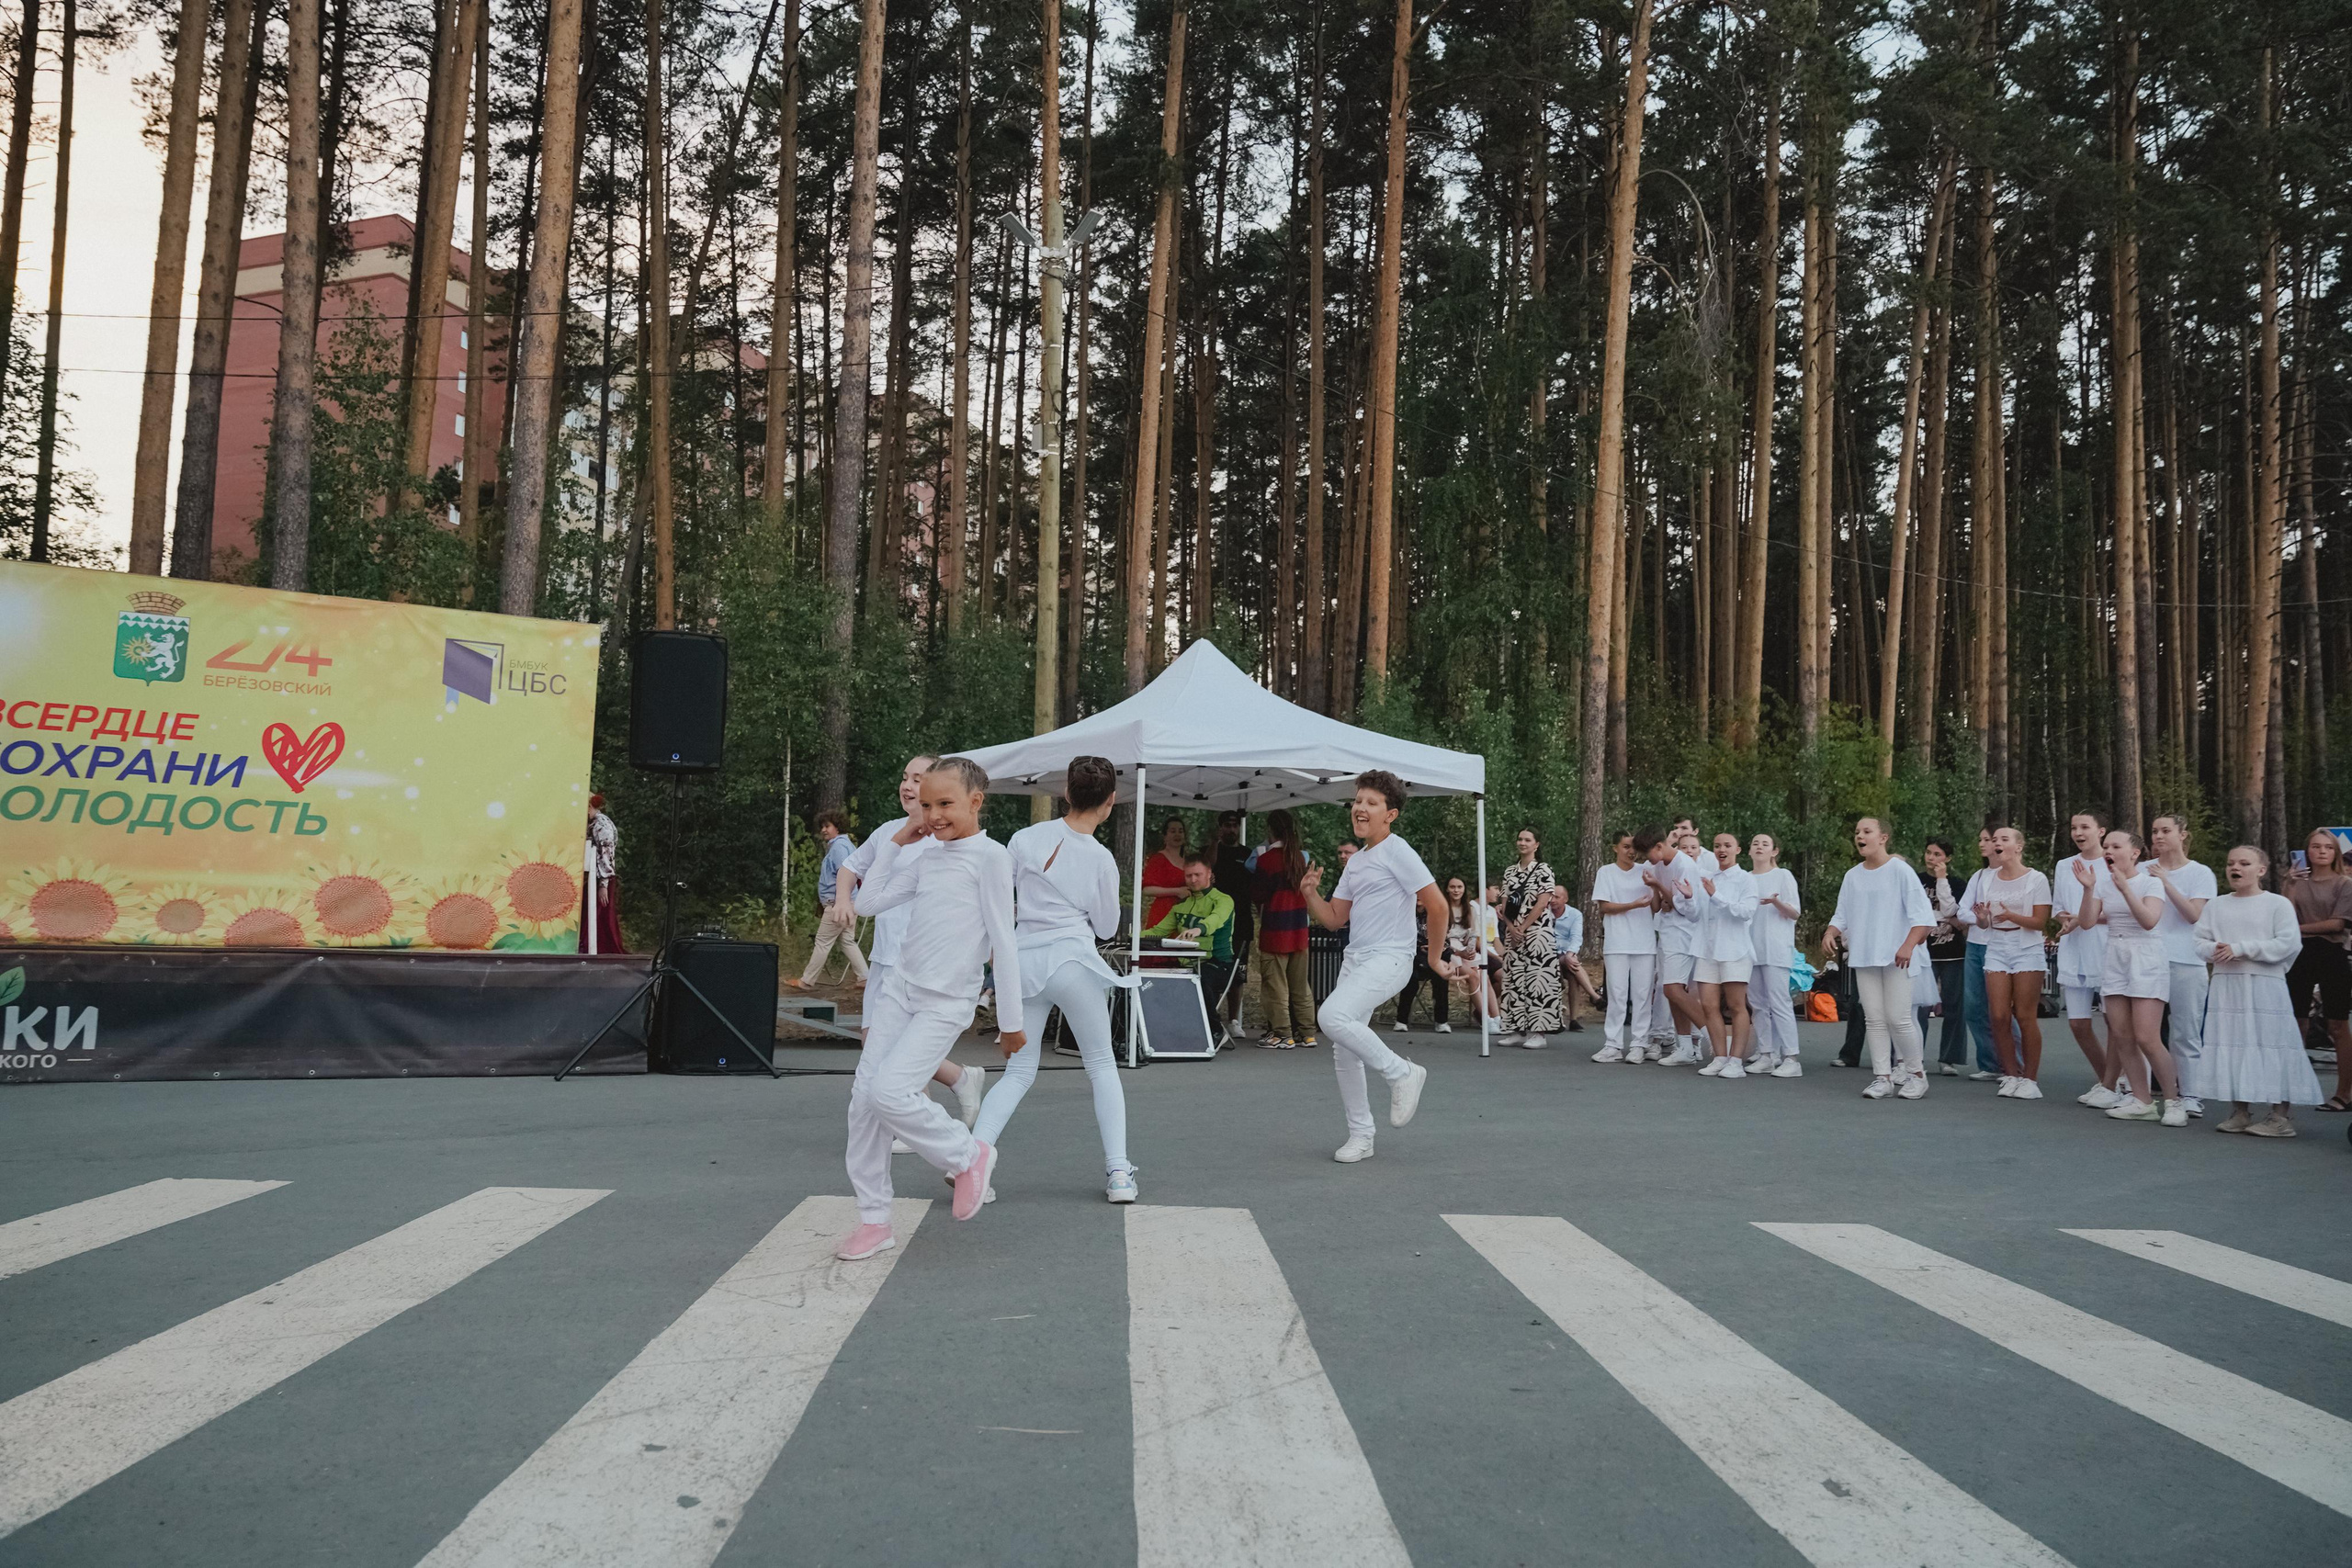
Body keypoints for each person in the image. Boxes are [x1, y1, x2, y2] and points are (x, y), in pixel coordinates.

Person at [834, 758, 1023, 1261]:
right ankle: (874, 1222)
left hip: (946, 1003)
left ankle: (969, 1155)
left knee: (890, 1092)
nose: (934, 815)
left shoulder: (991, 858)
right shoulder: (925, 855)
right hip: (900, 989)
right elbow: (870, 901)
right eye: (926, 805)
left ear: (975, 802)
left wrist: (1011, 1023)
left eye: (945, 804)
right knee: (863, 1105)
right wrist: (899, 843)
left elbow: (1004, 942)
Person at [978, 755, 1136, 1202]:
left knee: (1018, 1073)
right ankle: (1119, 1172)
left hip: (1023, 964)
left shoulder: (1025, 838)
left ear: (1066, 793)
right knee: (1102, 1067)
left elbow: (997, 893)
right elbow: (1106, 928)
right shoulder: (1102, 858)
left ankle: (974, 1156)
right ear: (1110, 803)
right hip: (1071, 962)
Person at [1296, 771, 1444, 1163]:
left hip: (1391, 957)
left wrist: (1433, 959)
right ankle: (1362, 1136)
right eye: (1358, 800)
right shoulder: (1357, 862)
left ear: (1390, 814)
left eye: (1371, 803)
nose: (1360, 808)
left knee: (1331, 1016)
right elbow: (1333, 919)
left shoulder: (1398, 851)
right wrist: (1310, 894)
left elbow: (1438, 905)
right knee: (1344, 1050)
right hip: (1357, 960)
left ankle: (1402, 1073)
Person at [838, 754, 985, 1129]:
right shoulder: (890, 830)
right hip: (887, 957)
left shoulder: (948, 840)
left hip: (927, 965)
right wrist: (843, 901)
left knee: (899, 1049)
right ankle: (956, 1080)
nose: (908, 785)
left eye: (918, 779)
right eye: (905, 777)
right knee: (875, 1043)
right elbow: (852, 868)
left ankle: (922, 1117)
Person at [2188, 845, 2326, 1136]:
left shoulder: (2277, 904)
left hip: (2265, 984)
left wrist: (2242, 949)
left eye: (2244, 863)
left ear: (2261, 870)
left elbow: (2288, 944)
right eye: (2230, 863)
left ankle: (2279, 1117)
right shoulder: (2216, 905)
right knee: (2235, 1042)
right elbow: (2199, 942)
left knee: (2273, 1043)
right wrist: (2217, 949)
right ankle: (2240, 1111)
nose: (2235, 868)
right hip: (2227, 985)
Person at [2076, 828, 2188, 1126]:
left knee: (2148, 1037)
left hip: (2146, 957)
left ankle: (2174, 1102)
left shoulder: (2151, 882)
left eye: (2115, 845)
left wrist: (2125, 888)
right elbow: (2087, 923)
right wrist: (2088, 889)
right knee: (2122, 1035)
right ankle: (2142, 1100)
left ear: (2135, 852)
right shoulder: (2102, 883)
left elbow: (2150, 921)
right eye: (2107, 846)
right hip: (2115, 955)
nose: (2108, 851)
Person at [1823, 817, 1935, 1101]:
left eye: (1867, 832)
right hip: (1864, 956)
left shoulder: (1900, 870)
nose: (1860, 836)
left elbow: (1922, 917)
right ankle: (1882, 1078)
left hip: (1897, 957)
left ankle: (1916, 1075)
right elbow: (1842, 913)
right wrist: (1831, 931)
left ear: (1883, 838)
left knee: (1898, 1018)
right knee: (1874, 1018)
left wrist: (1908, 945)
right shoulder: (1853, 875)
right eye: (1857, 832)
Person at [2143, 814, 2216, 1117]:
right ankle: (2139, 1092)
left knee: (2184, 1031)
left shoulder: (2200, 873)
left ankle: (2190, 1094)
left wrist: (2164, 882)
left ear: (2183, 834)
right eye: (2154, 831)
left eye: (2166, 831)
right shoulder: (2140, 870)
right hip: (2147, 958)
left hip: (2187, 959)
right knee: (2143, 1032)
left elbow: (2194, 915)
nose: (2158, 836)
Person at [1975, 827, 2052, 1100]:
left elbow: (2040, 922)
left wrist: (2011, 915)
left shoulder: (2036, 879)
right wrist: (1983, 917)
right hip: (1997, 945)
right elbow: (1985, 923)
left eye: (2004, 839)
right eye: (1994, 839)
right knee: (1998, 1015)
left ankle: (2030, 1079)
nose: (1997, 843)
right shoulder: (1987, 879)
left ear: (2018, 847)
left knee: (2025, 1015)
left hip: (2026, 948)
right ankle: (2010, 1074)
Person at [2051, 811, 2117, 1103]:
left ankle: (2119, 1082)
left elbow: (2120, 909)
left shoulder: (2113, 863)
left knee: (2115, 1022)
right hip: (2073, 949)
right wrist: (2064, 919)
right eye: (2074, 827)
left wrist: (2083, 917)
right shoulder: (2064, 865)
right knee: (2078, 1023)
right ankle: (2106, 1080)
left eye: (2085, 827)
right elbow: (2058, 907)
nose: (2078, 832)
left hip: (2106, 948)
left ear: (2101, 831)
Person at [2286, 827, 2352, 1112]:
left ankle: (2344, 1093)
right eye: (2316, 846)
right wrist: (2288, 885)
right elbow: (2283, 915)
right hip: (2299, 954)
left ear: (2335, 852)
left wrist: (2296, 929)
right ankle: (2291, 1089)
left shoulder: (2345, 884)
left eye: (2327, 847)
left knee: (2337, 1025)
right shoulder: (2296, 882)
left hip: (2331, 952)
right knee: (2297, 1022)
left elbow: (2337, 924)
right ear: (2307, 851)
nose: (2321, 851)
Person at [1687, 831, 1759, 1077]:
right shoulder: (1707, 877)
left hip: (1735, 950)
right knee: (1708, 1005)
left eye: (1727, 845)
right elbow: (1695, 914)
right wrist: (1688, 898)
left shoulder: (1745, 880)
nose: (1722, 850)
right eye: (1717, 845)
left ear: (1738, 850)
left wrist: (1715, 895)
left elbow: (1746, 911)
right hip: (1707, 949)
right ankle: (1720, 1057)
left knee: (1737, 1005)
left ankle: (1736, 1061)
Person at [1143, 854, 1238, 1037]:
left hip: (1219, 963)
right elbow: (1159, 930)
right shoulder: (1181, 905)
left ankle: (1216, 1031)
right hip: (1187, 965)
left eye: (1198, 875)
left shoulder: (1223, 900)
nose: (1193, 880)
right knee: (1152, 981)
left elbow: (1216, 919)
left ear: (1209, 874)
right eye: (1189, 876)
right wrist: (1131, 938)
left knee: (1199, 980)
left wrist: (1199, 929)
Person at [1247, 810, 1317, 1048]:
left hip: (1275, 929)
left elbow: (1258, 893)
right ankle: (1307, 1033)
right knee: (1300, 985)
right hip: (1299, 928)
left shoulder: (1267, 860)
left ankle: (1282, 1033)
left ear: (1271, 831)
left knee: (1275, 985)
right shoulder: (1301, 859)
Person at [1590, 829, 1659, 1064]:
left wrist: (1656, 885)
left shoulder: (1646, 872)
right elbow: (1604, 907)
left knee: (1642, 995)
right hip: (1617, 941)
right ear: (1615, 848)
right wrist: (1632, 904)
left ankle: (1639, 1043)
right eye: (1626, 847)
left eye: (1633, 848)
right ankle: (1613, 1045)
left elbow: (1657, 906)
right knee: (1618, 995)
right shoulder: (1606, 872)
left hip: (1644, 942)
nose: (1631, 852)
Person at [1647, 824, 1708, 1065]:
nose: (1646, 860)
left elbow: (1691, 911)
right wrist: (1662, 896)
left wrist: (1663, 891)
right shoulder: (1660, 865)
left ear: (1659, 846)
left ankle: (1714, 1035)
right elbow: (1664, 903)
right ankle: (1686, 1048)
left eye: (1648, 854)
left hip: (1684, 935)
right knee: (1674, 993)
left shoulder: (1684, 865)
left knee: (1672, 989)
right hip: (1668, 932)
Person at [788, 809, 869, 990]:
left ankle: (807, 980)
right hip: (850, 902)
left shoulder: (839, 847)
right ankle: (864, 977)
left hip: (839, 904)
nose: (824, 830)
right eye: (822, 827)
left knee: (822, 942)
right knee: (847, 941)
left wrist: (842, 902)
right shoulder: (846, 845)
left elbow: (846, 873)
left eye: (827, 826)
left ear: (837, 827)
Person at [1498, 829, 1561, 1048]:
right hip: (1513, 931)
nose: (1522, 843)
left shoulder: (1544, 870)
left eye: (1527, 840)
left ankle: (1539, 1032)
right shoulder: (1510, 872)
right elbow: (1504, 904)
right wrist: (1511, 927)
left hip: (1537, 932)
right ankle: (1516, 1029)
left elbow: (1542, 902)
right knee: (1514, 978)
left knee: (1537, 980)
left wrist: (1522, 927)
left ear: (1536, 845)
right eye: (1520, 839)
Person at [1747, 832, 1802, 1077]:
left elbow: (1795, 913)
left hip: (1776, 949)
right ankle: (1766, 1054)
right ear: (1748, 851)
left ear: (1774, 851)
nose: (1759, 847)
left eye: (1765, 844)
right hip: (1749, 949)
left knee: (1780, 1003)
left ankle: (1791, 1057)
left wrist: (1776, 903)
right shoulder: (1744, 878)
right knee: (1757, 1004)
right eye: (1755, 844)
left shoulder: (1783, 876)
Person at [1919, 839, 1967, 1074]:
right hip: (1922, 951)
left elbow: (1955, 913)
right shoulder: (1916, 881)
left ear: (1947, 858)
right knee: (1919, 1006)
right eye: (1928, 853)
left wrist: (1941, 880)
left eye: (1937, 854)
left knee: (1954, 1006)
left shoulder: (1957, 884)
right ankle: (1913, 1056)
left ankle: (1948, 1058)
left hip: (1952, 953)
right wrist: (1944, 918)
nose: (1931, 858)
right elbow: (1914, 912)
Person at [1211, 811, 1256, 1036]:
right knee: (1214, 969)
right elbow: (1207, 868)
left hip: (1241, 921)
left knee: (1238, 973)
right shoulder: (1213, 851)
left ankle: (1234, 1020)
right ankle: (1212, 1018)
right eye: (1227, 825)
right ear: (1220, 827)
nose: (1231, 829)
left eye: (1235, 825)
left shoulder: (1248, 854)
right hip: (1215, 921)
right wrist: (1214, 842)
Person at [1393, 888, 1454, 1033]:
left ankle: (1441, 1021)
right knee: (1410, 979)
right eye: (1416, 894)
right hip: (1411, 955)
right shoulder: (1403, 913)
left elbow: (1445, 940)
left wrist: (1435, 947)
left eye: (1421, 895)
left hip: (1434, 955)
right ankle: (1401, 1020)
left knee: (1440, 979)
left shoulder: (1435, 914)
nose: (1419, 898)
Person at [579, 793, 627, 953]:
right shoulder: (594, 823)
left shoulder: (601, 824)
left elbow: (606, 853)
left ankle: (601, 949)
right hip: (596, 877)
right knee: (594, 913)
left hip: (601, 877)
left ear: (589, 807)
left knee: (600, 913)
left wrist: (603, 884)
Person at [1548, 886, 1596, 1027]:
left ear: (1566, 899)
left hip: (1565, 953)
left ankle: (1573, 1019)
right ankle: (1594, 996)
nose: (1552, 900)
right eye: (1551, 896)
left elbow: (1576, 938)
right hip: (1547, 954)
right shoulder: (1543, 911)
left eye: (1557, 897)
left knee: (1571, 966)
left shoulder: (1575, 914)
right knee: (1571, 965)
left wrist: (1570, 953)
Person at [1142, 816, 1191, 929]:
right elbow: (1147, 890)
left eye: (1181, 831)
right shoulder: (1158, 859)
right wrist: (1176, 891)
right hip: (1163, 913)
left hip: (1185, 915)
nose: (1177, 835)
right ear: (1165, 836)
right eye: (1173, 831)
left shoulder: (1188, 861)